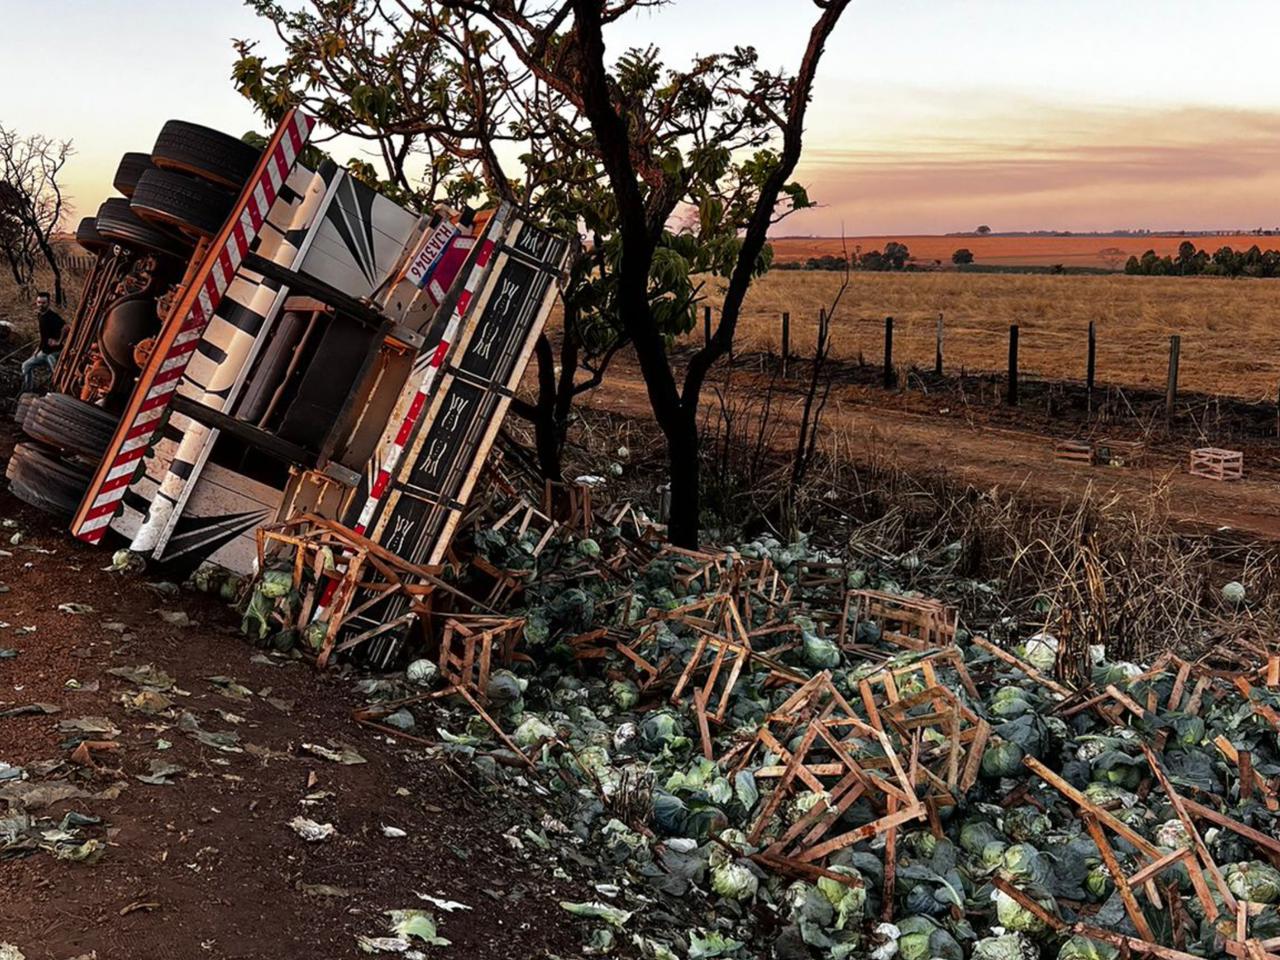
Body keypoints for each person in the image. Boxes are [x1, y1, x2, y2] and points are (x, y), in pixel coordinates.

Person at [20, 292, 65, 393]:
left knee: (56, 374)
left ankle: (58, 393)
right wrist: (37, 350)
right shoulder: (40, 315)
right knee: (26, 365)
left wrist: (59, 341)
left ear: (48, 303)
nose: (41, 305)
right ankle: (29, 390)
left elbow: (66, 328)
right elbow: (44, 336)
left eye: (43, 303)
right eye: (39, 302)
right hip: (44, 352)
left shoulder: (53, 316)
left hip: (54, 353)